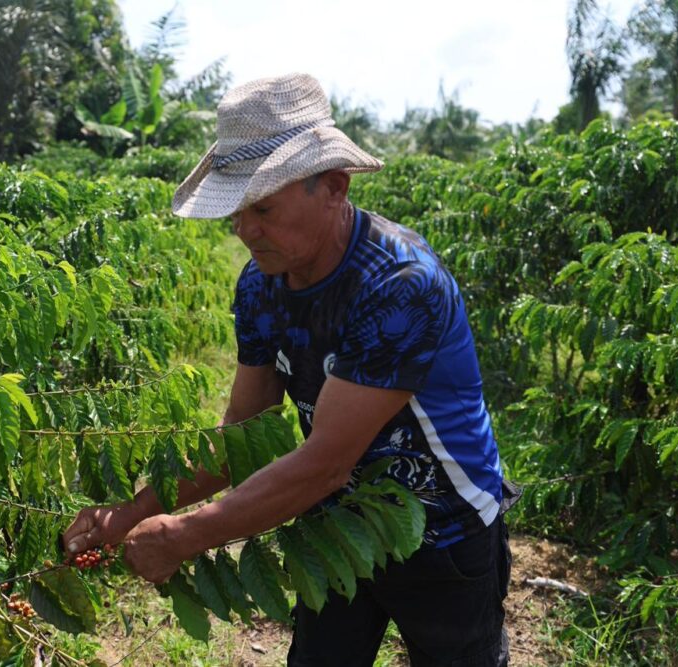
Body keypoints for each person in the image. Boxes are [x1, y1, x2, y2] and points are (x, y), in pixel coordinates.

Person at [63, 72, 514, 666]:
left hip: (443, 533)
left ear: (334, 186)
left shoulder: (398, 286)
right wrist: (131, 513)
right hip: (335, 528)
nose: (245, 230)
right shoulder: (260, 285)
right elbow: (241, 434)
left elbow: (325, 463)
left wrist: (184, 535)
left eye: (264, 207)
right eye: (237, 210)